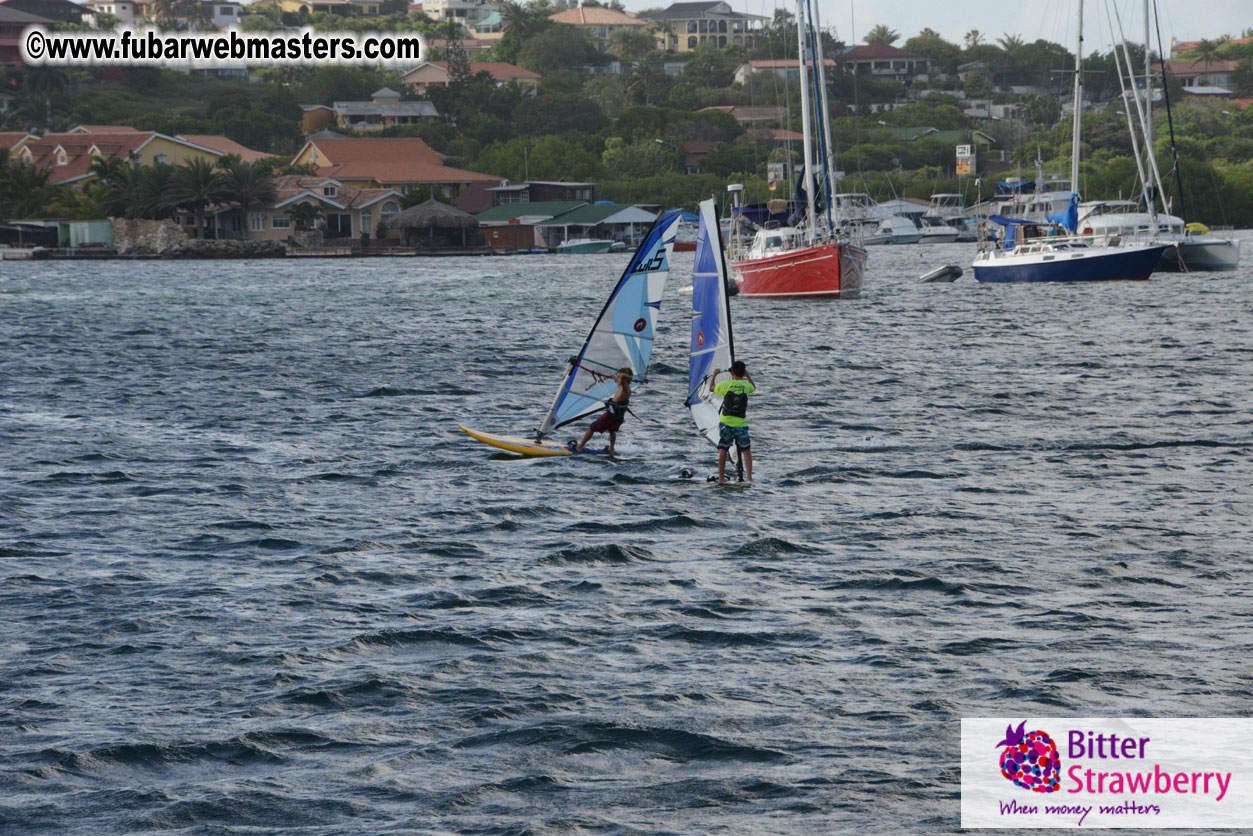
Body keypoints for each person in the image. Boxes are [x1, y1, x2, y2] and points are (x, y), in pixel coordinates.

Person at [710, 360, 755, 483]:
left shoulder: (726, 384)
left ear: (732, 373)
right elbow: (753, 387)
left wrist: (715, 374)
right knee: (746, 451)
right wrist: (748, 376)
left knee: (723, 449)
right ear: (743, 373)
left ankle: (720, 478)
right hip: (741, 425)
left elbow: (711, 388)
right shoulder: (746, 386)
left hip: (726, 424)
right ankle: (750, 478)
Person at [573, 367, 632, 456]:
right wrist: (615, 377)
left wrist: (621, 375)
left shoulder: (625, 389)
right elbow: (620, 380)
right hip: (617, 417)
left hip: (610, 416)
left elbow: (623, 377)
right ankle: (611, 448)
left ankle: (580, 447)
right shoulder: (621, 386)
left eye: (618, 377)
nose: (617, 379)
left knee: (592, 427)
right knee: (612, 431)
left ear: (624, 379)